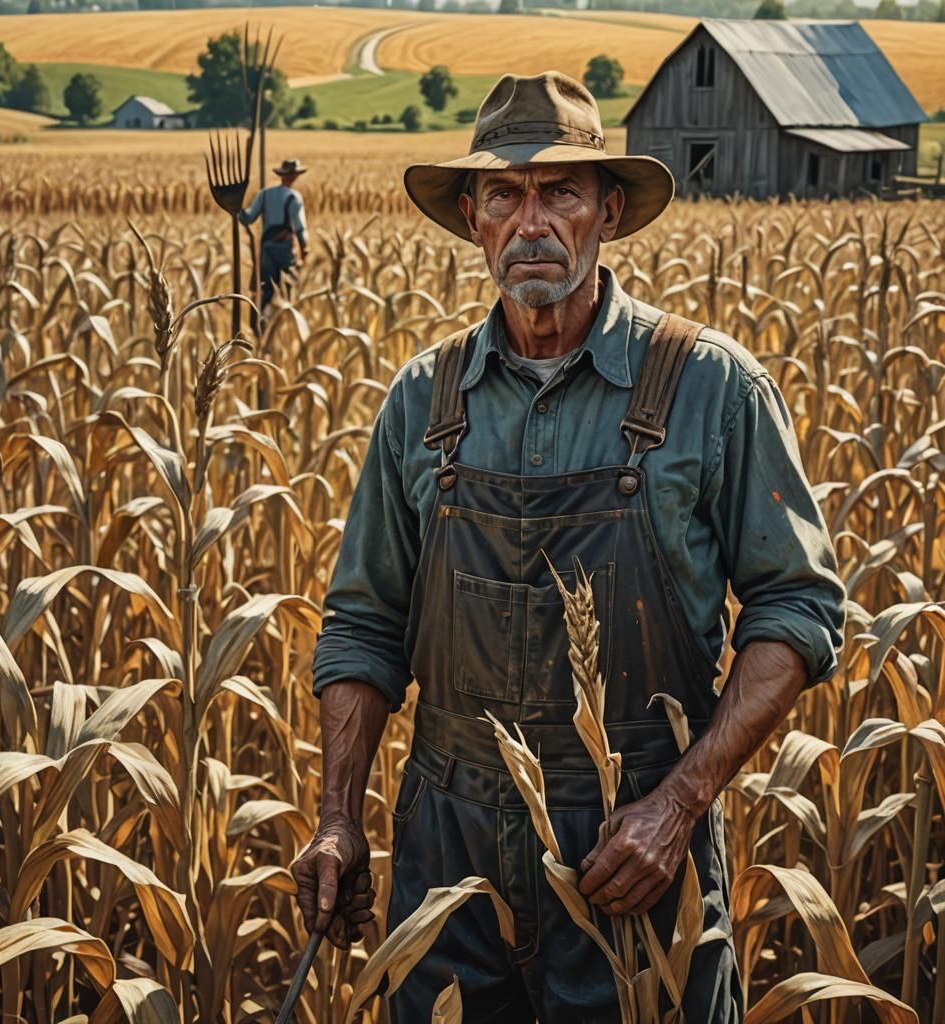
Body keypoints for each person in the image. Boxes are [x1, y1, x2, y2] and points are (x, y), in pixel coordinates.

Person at [292, 71, 846, 1023]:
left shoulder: (711, 387)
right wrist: (340, 814)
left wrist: (677, 805)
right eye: (504, 194)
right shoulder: (423, 402)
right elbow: (363, 624)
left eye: (561, 192)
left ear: (609, 210)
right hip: (447, 860)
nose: (531, 220)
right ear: (473, 218)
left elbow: (798, 609)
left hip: (632, 855)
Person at [239, 157, 310, 311]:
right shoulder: (294, 197)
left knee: (267, 288)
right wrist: (304, 249)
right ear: (294, 176)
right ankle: (285, 320)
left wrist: (236, 207)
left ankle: (261, 321)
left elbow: (248, 218)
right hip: (284, 248)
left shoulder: (265, 194)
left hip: (267, 247)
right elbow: (300, 227)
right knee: (289, 287)